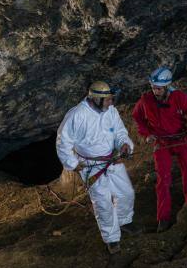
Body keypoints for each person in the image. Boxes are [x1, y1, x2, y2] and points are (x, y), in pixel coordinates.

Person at [56, 81, 136, 254]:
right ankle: (112, 239)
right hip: (91, 166)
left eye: (110, 99)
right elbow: (63, 141)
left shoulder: (111, 111)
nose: (111, 103)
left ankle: (123, 222)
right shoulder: (77, 115)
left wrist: (124, 145)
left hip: (113, 159)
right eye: (107, 100)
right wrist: (72, 163)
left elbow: (120, 132)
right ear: (96, 99)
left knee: (126, 193)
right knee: (103, 203)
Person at [132, 67, 187, 232]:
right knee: (163, 180)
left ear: (166, 86)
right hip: (161, 143)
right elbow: (137, 118)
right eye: (153, 87)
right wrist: (146, 134)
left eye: (158, 88)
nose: (155, 91)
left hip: (180, 139)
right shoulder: (146, 100)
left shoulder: (179, 98)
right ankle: (163, 219)